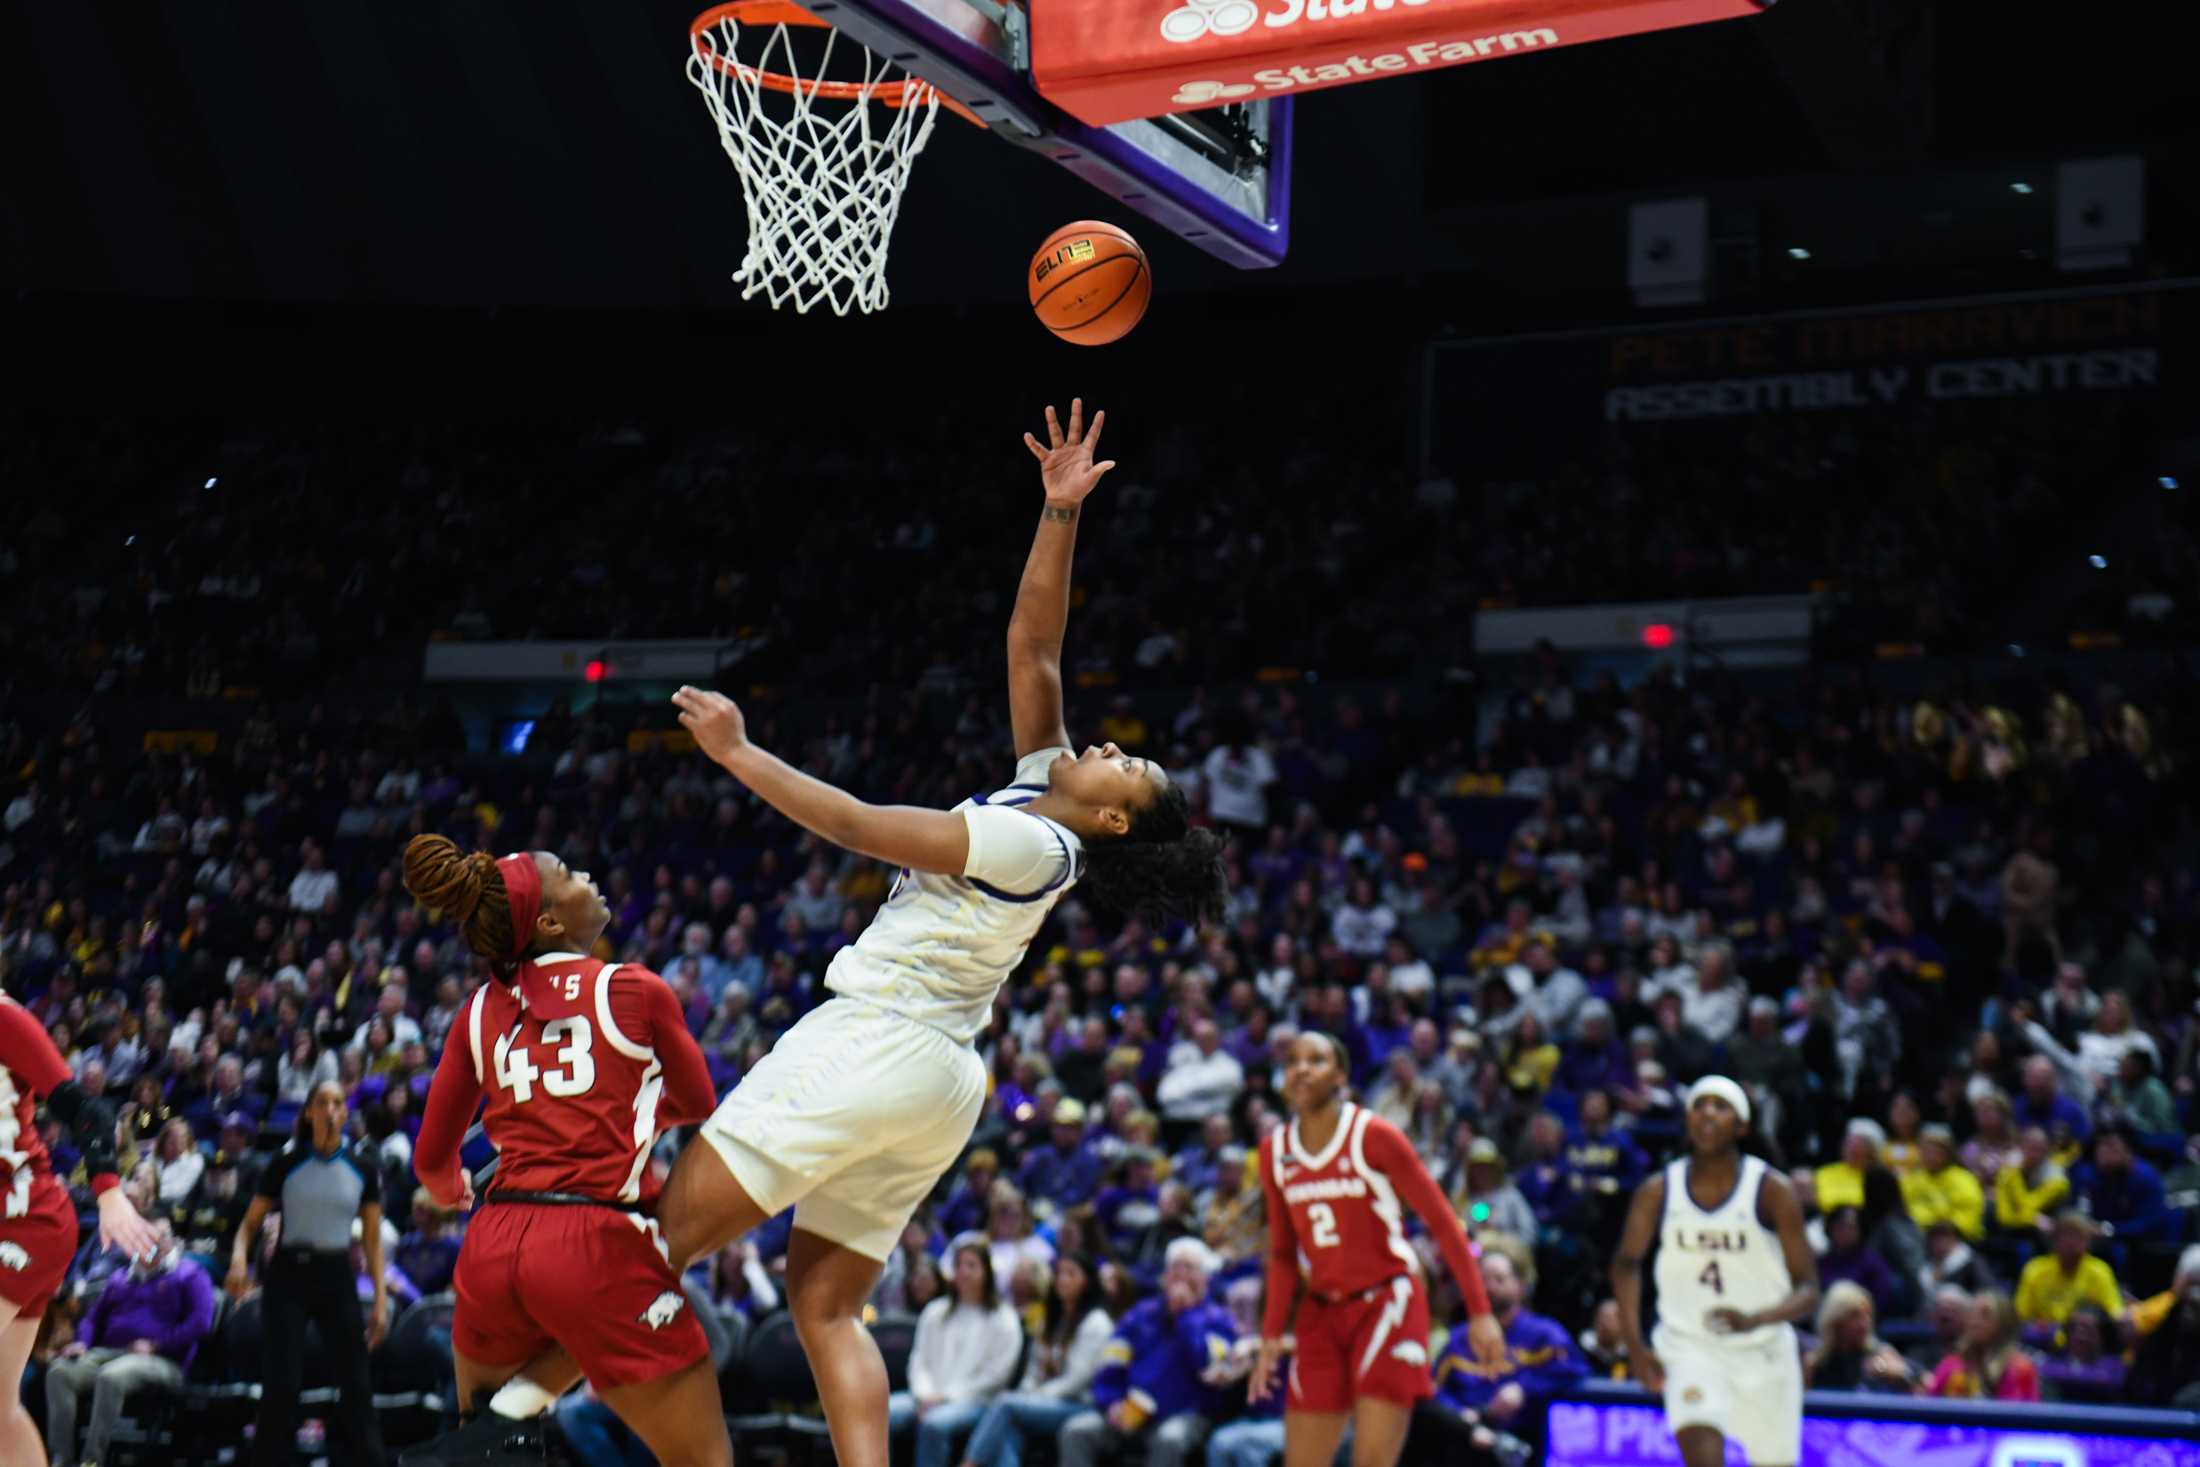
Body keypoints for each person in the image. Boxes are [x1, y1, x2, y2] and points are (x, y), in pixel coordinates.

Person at [639, 402, 1227, 1467]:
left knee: (649, 1251)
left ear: (1111, 817)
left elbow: (855, 824)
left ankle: (516, 1426)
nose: (1106, 743)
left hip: (879, 1042)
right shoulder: (1042, 798)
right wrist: (1057, 510)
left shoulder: (1027, 846)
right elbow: (1033, 644)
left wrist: (737, 751)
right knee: (825, 1309)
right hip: (937, 1078)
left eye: (1125, 767)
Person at [393, 835, 726, 1467]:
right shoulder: (634, 990)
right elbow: (697, 1101)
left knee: (493, 1455)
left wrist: (448, 1191)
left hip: (493, 1244)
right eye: (569, 873)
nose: (586, 874)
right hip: (593, 1240)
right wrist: (627, 1120)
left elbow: (432, 1160)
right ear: (548, 920)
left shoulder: (476, 1012)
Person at [1247, 1033, 1502, 1467]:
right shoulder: (1275, 1152)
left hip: (1388, 1302)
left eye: (1316, 1060)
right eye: (1293, 1061)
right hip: (1322, 1310)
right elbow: (1283, 1252)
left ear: (1341, 1076)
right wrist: (1271, 1335)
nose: (1302, 1069)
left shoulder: (1374, 1135)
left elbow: (1443, 1222)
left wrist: (1479, 1312)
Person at [1613, 1077, 1818, 1467]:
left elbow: (1809, 1290)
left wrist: (1755, 1319)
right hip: (1691, 1346)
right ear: (1687, 1120)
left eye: (1720, 1106)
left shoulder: (1772, 1190)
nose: (1707, 1112)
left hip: (1764, 1351)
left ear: (1742, 1126)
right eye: (1699, 1104)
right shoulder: (1658, 1190)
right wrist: (1636, 1348)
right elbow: (1625, 1265)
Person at [0, 992, 163, 1467]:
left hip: (29, 1220)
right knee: (2, 1409)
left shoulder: (7, 1019)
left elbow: (90, 1113)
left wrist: (109, 1193)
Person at [226, 1081, 389, 1467]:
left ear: (345, 1114)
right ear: (309, 1113)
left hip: (337, 1273)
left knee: (357, 1384)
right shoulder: (285, 1163)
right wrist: (238, 1259)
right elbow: (249, 1225)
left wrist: (380, 1300)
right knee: (281, 1386)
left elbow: (372, 1241)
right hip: (288, 1276)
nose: (330, 1110)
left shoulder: (363, 1168)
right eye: (322, 1103)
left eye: (337, 1103)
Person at [45, 1217, 218, 1467]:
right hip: (109, 1353)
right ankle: (61, 1459)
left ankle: (92, 1461)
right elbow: (92, 1319)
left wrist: (157, 1345)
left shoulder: (190, 1274)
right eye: (145, 1236)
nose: (151, 1242)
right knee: (59, 1373)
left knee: (110, 1376)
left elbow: (201, 1323)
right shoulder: (120, 1277)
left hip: (162, 1361)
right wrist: (83, 1342)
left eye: (158, 1237)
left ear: (170, 1241)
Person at [1059, 1239, 1237, 1467]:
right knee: (1077, 1431)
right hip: (1131, 1413)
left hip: (1187, 1415)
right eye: (1175, 1267)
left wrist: (1186, 1317)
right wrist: (1112, 1402)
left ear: (1205, 1278)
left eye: (1190, 1268)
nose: (1181, 1275)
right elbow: (1110, 1364)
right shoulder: (1141, 1314)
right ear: (1165, 1276)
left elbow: (1210, 1370)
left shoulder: (1218, 1321)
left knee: (1169, 1439)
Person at [1411, 1246, 1586, 1466]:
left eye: (1499, 1279)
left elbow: (1575, 1371)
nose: (1490, 1287)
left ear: (1520, 1286)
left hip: (1526, 1444)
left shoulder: (1544, 1334)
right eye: (1483, 1279)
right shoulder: (1458, 1339)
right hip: (1467, 1443)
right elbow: (1433, 1390)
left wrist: (1524, 1389)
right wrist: (1459, 1417)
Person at [958, 1251, 1113, 1467]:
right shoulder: (1052, 1318)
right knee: (1011, 1427)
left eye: (1071, 1274)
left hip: (1079, 1403)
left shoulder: (1097, 1323)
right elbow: (1033, 1369)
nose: (1062, 1279)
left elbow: (1076, 1380)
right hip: (1043, 1401)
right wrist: (1027, 1392)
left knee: (1006, 1404)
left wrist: (1034, 1396)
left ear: (1087, 1281)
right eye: (1059, 1273)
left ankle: (969, 1463)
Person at [890, 1238, 1026, 1467]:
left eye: (971, 1265)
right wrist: (924, 1394)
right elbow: (919, 1360)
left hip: (976, 1400)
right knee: (879, 1414)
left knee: (934, 1423)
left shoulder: (1004, 1318)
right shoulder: (936, 1311)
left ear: (986, 1271)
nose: (963, 1272)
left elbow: (995, 1376)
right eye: (959, 1265)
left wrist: (946, 1397)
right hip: (925, 1396)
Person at [2013, 1212, 2126, 1329]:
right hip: (2043, 1338)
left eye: (2079, 1237)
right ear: (2054, 1240)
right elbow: (2021, 1314)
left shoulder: (2099, 1271)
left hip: (2082, 1338)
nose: (2072, 1243)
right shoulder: (2035, 1269)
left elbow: (2114, 1314)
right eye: (2067, 1236)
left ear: (2088, 1242)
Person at [1923, 1290, 2039, 1401]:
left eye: (1985, 1314)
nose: (1975, 1320)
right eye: (1972, 1312)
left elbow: (2015, 1416)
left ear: (2003, 1322)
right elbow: (1927, 1402)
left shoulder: (2020, 1367)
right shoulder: (1952, 1362)